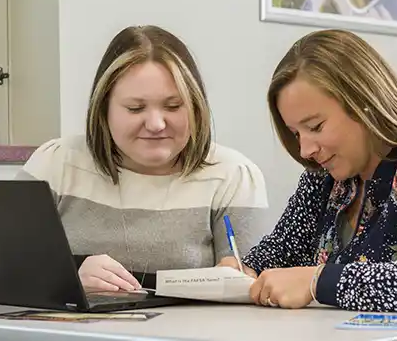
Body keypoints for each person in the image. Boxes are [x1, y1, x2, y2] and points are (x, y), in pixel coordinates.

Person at [218, 29, 397, 314]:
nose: (305, 150)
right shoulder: (323, 178)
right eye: (295, 133)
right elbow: (282, 253)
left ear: (364, 104)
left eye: (315, 127)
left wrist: (319, 281)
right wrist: (242, 270)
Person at [15, 25, 270, 293]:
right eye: (135, 108)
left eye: (173, 106)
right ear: (103, 109)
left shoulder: (233, 176)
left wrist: (239, 281)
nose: (156, 124)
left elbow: (255, 287)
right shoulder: (55, 163)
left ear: (196, 106)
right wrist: (69, 274)